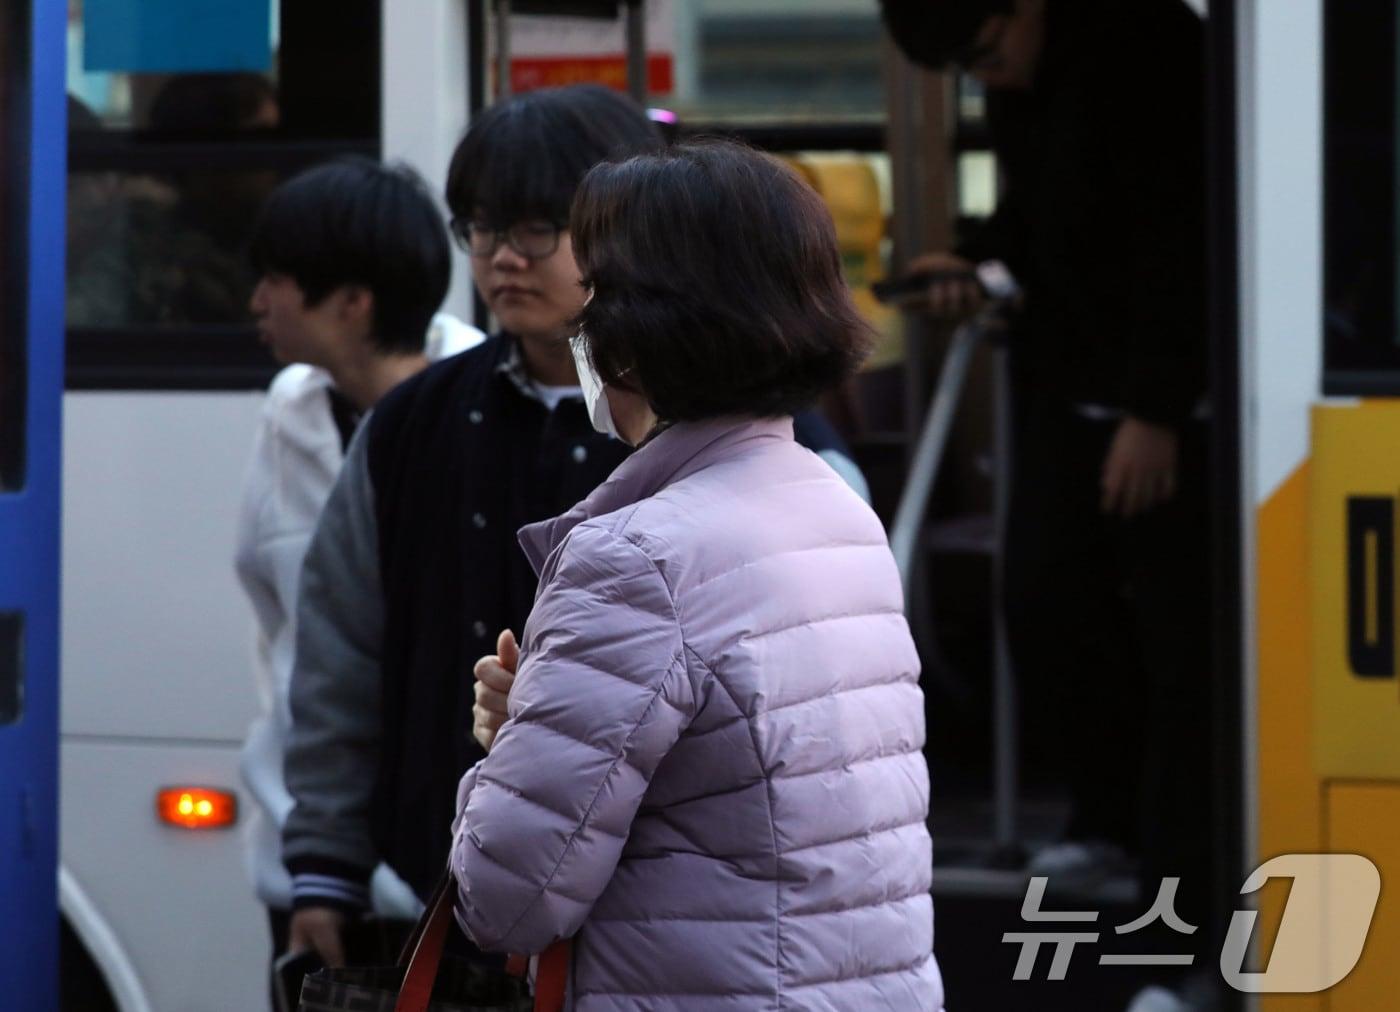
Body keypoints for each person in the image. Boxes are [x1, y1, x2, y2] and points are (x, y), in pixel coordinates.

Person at [280, 85, 872, 972]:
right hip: (443, 898)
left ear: (624, 240)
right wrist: (324, 866)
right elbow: (339, 656)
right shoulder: (412, 423)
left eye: (535, 230)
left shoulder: (775, 458)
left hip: (640, 931)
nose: (502, 261)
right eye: (480, 229)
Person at [452, 139, 942, 1010]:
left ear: (651, 325)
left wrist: (509, 751)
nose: (583, 324)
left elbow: (508, 897)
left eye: (598, 293)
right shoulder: (834, 507)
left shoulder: (635, 560)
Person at [880, 2, 1213, 1008]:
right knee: (1043, 601)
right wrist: (976, 264)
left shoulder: (1153, 54)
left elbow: (1181, 235)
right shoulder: (1026, 86)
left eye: (987, 53)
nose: (993, 79)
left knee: (1179, 654)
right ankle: (1103, 818)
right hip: (1066, 384)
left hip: (1170, 403)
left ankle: (1183, 903)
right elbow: (1037, 221)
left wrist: (1156, 406)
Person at [233, 156, 482, 980]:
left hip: (456, 872)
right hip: (312, 862)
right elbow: (286, 630)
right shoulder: (288, 414)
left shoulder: (486, 406)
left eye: (277, 279)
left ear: (352, 302)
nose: (256, 303)